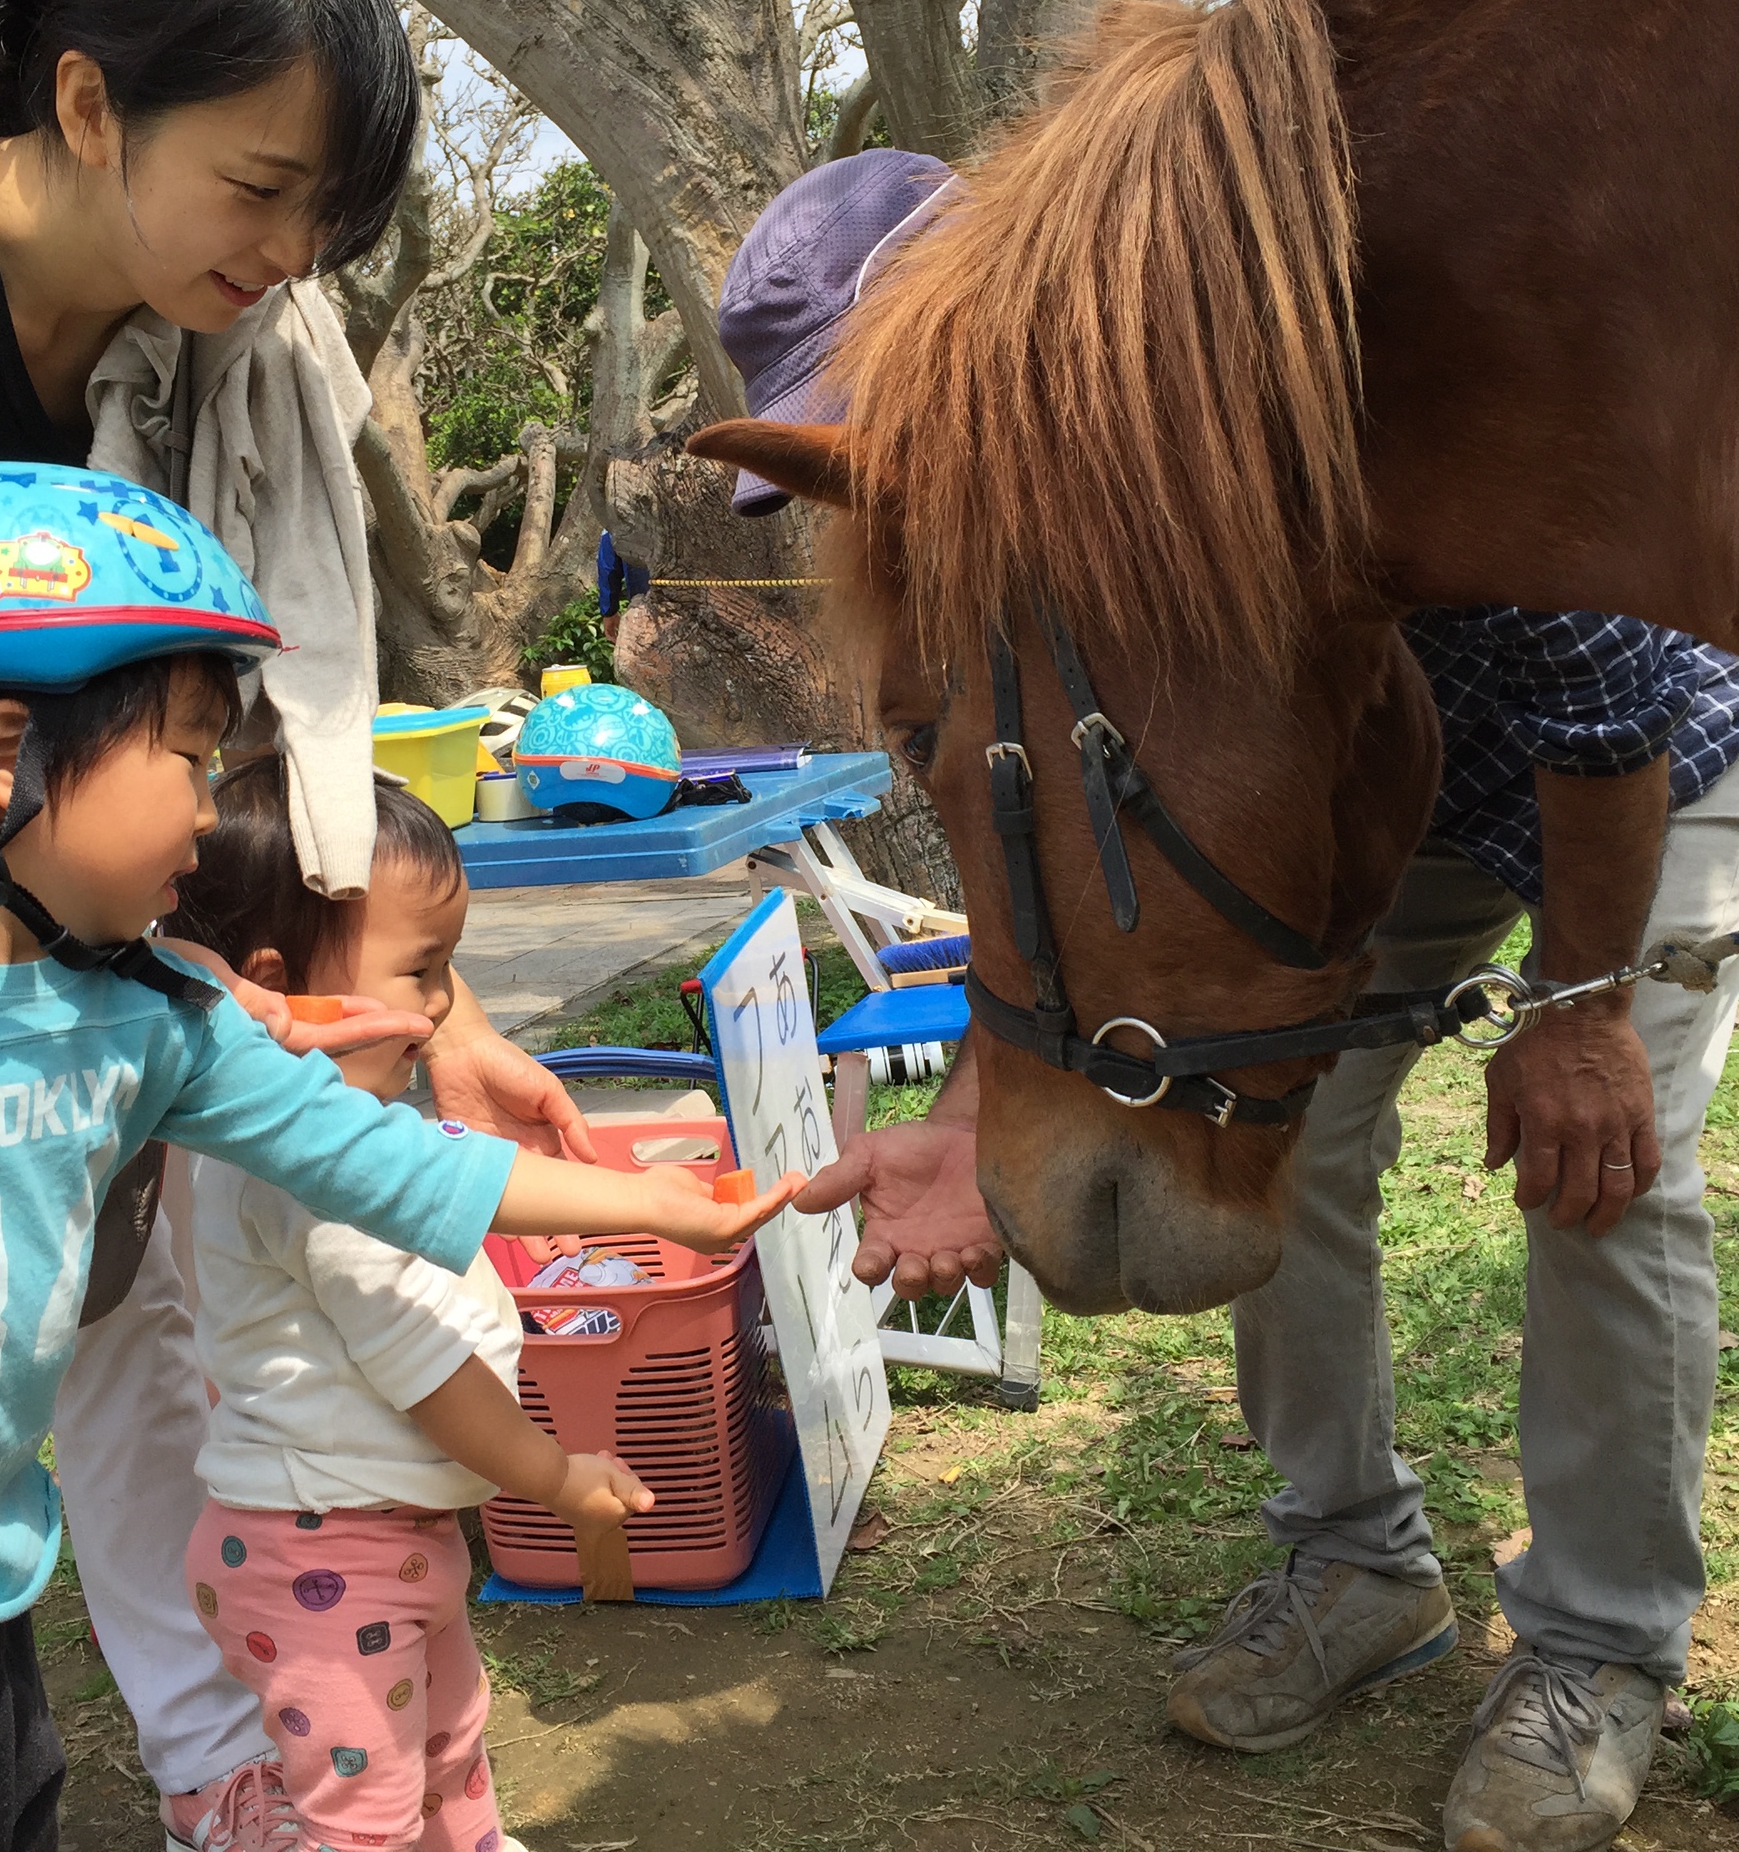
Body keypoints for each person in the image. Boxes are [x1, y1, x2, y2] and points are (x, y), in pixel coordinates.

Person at [0, 0, 606, 1850]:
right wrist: (44, 951)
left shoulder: (185, 334)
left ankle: (221, 1780)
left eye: (324, 212)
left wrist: (387, 1005)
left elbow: (235, 766)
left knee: (124, 1310)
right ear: (88, 100)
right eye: (261, 188)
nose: (287, 253)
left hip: (35, 873)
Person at [719, 155, 1739, 1852]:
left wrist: (1576, 1003)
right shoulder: (1021, 561)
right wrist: (979, 1102)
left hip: (1627, 764)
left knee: (1604, 1167)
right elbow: (1049, 853)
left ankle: (1595, 1642)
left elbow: (1604, 685)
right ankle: (1348, 1556)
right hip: (1355, 790)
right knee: (1286, 1140)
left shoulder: (1340, 358)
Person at [0, 467, 794, 1852]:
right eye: (189, 758)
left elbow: (384, 1164)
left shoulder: (143, 1014)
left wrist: (656, 1203)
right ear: (4, 756)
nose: (210, 813)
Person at [167, 763, 650, 1852]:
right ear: (277, 983)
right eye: (421, 970)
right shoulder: (310, 1171)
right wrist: (554, 1474)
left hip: (372, 1533)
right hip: (321, 1559)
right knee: (364, 1815)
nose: (439, 1007)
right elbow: (425, 1370)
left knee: (447, 1739)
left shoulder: (347, 1131)